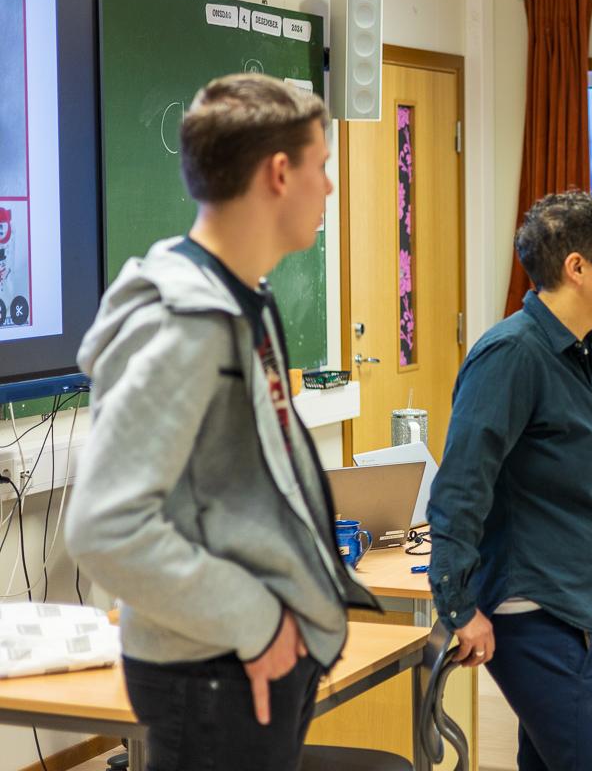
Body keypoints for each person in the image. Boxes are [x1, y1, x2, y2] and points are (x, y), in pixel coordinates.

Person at [65, 74, 379, 771]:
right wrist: (257, 622)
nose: (329, 187)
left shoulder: (239, 299)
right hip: (215, 665)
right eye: (322, 166)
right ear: (279, 173)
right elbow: (103, 526)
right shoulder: (185, 321)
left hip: (243, 656)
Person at [428, 190, 592, 771]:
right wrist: (457, 604)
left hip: (588, 612)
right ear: (577, 268)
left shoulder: (581, 352)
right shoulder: (512, 355)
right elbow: (460, 488)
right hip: (543, 616)